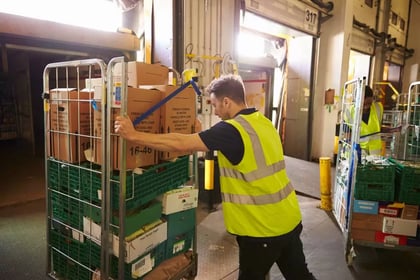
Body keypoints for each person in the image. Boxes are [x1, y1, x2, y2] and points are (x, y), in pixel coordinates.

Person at [115, 74, 316, 280]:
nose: (214, 111)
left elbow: (179, 144)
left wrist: (134, 135)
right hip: (289, 219)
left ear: (226, 101)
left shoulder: (231, 130)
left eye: (214, 104)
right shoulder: (262, 123)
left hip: (261, 230)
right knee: (300, 276)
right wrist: (202, 135)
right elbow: (239, 153)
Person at [346, 85, 401, 155]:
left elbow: (378, 129)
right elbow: (347, 136)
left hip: (374, 151)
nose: (366, 107)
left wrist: (394, 129)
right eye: (364, 104)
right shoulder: (349, 113)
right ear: (357, 101)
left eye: (369, 103)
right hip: (358, 149)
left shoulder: (378, 108)